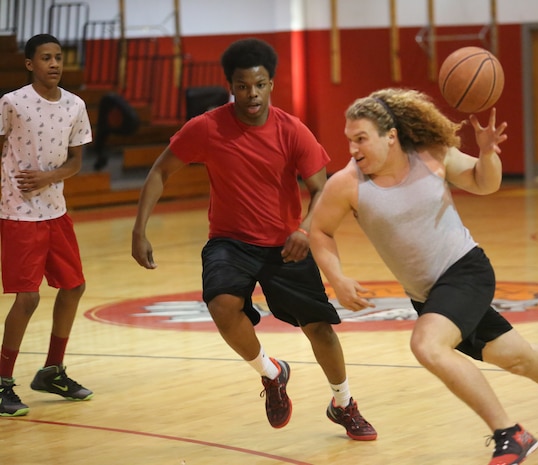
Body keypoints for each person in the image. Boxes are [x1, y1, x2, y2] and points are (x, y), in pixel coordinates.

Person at [308, 88, 538, 464]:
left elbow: (486, 183)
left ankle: (510, 434)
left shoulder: (431, 156)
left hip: (466, 270)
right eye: (349, 140)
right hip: (430, 296)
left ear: (391, 136)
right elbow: (320, 231)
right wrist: (337, 277)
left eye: (361, 139)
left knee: (428, 346)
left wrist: (487, 153)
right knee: (521, 359)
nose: (352, 149)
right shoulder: (347, 184)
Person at [131, 38, 376, 441]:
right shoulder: (207, 127)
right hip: (229, 242)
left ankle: (343, 403)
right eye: (243, 86)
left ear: (271, 84)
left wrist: (304, 230)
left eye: (260, 85)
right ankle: (271, 373)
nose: (252, 94)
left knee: (320, 328)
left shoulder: (291, 130)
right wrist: (139, 230)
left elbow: (322, 189)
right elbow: (160, 170)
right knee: (222, 306)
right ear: (231, 85)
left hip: (285, 243)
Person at [0, 34, 94, 417]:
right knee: (28, 297)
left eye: (58, 58)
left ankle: (52, 370)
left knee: (74, 286)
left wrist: (48, 177)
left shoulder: (75, 105)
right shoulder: (11, 103)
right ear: (29, 64)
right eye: (45, 58)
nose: (54, 64)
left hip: (55, 210)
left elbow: (75, 163)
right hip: (18, 211)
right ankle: (3, 381)